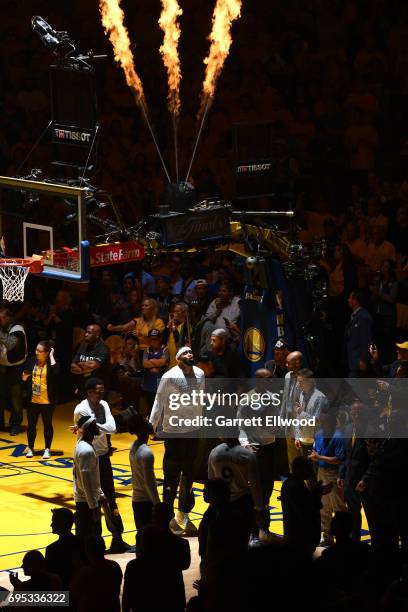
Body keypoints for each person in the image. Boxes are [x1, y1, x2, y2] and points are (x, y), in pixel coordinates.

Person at [150, 346, 205, 536]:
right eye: (185, 354)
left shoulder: (200, 373)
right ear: (178, 359)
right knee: (172, 474)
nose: (190, 355)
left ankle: (183, 514)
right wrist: (152, 424)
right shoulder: (169, 376)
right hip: (174, 431)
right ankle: (168, 518)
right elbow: (159, 400)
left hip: (193, 430)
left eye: (191, 352)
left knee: (189, 475)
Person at [74, 378, 132, 553]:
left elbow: (112, 428)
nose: (101, 393)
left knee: (110, 498)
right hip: (90, 455)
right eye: (98, 391)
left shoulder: (104, 404)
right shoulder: (81, 409)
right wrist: (97, 426)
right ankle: (93, 543)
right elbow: (91, 427)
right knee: (92, 498)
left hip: (103, 455)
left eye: (102, 390)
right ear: (89, 392)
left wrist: (94, 425)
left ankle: (117, 538)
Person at [122, 503, 190, 612]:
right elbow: (185, 565)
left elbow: (127, 593)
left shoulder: (141, 538)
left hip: (146, 599)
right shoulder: (181, 544)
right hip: (172, 597)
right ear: (171, 516)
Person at [237, 368, 277, 541]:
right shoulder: (247, 399)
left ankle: (264, 529)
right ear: (258, 380)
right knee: (256, 491)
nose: (271, 381)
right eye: (267, 379)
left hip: (269, 447)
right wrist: (245, 445)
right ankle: (253, 531)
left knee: (267, 491)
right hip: (255, 449)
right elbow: (240, 425)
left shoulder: (273, 397)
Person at [208, 434, 268, 545]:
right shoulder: (248, 455)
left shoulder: (214, 453)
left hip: (221, 503)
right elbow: (255, 486)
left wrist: (211, 504)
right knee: (240, 542)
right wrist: (260, 508)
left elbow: (211, 482)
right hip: (242, 504)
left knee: (222, 541)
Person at [310, 410, 347, 546]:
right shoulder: (318, 434)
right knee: (324, 508)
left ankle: (343, 538)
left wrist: (318, 457)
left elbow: (338, 459)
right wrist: (314, 456)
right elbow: (316, 452)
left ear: (332, 422)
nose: (322, 424)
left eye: (325, 421)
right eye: (321, 421)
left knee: (338, 507)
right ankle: (327, 537)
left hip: (333, 474)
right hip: (321, 472)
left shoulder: (338, 436)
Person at [281, 456, 331, 555]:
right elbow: (307, 513)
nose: (311, 471)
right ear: (300, 470)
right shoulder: (297, 487)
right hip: (300, 540)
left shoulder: (290, 483)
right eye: (309, 468)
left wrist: (316, 492)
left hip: (294, 537)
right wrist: (318, 494)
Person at [337, 401, 371, 541]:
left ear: (364, 414)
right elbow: (345, 455)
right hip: (350, 480)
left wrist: (366, 479)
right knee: (353, 513)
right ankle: (355, 541)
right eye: (353, 412)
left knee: (372, 514)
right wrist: (341, 474)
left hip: (366, 482)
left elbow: (374, 461)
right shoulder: (348, 428)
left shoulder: (371, 431)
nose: (355, 414)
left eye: (359, 412)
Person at [128, 412, 160, 554]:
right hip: (146, 501)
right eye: (146, 421)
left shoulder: (133, 445)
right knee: (150, 543)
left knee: (141, 536)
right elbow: (149, 482)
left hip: (136, 499)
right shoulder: (146, 453)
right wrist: (157, 503)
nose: (150, 422)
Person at [22, 340, 58, 459]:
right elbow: (24, 375)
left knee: (47, 424)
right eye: (36, 350)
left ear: (47, 353)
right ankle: (31, 447)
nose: (36, 352)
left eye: (39, 351)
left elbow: (57, 372)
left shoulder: (51, 363)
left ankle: (47, 448)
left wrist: (52, 356)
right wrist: (24, 376)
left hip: (47, 401)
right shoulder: (32, 361)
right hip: (33, 400)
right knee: (31, 425)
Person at [73, 414, 103, 549]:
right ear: (87, 429)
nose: (97, 427)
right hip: (86, 503)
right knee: (90, 542)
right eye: (94, 425)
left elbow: (92, 479)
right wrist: (93, 506)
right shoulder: (86, 451)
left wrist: (101, 495)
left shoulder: (82, 444)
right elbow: (86, 482)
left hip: (85, 500)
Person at [70, 536, 122, 612]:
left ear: (86, 550)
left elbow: (73, 594)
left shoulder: (84, 572)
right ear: (104, 547)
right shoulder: (115, 566)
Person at [0, 308, 28, 435]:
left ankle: (16, 424)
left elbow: (11, 344)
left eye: (1, 318)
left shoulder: (17, 329)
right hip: (1, 366)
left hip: (16, 367)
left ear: (9, 318)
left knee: (15, 397)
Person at [45, 508, 82, 588]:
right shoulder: (79, 543)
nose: (51, 524)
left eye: (54, 521)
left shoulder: (51, 550)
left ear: (62, 523)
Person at [294, 368, 328, 456]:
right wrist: (297, 437)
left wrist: (301, 412)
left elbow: (316, 421)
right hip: (303, 440)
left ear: (310, 381)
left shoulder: (320, 397)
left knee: (315, 468)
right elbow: (298, 418)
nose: (298, 385)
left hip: (316, 441)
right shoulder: (301, 394)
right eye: (298, 382)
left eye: (300, 382)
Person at [71, 324, 110, 397]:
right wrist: (85, 369)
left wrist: (80, 366)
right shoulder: (82, 346)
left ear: (97, 335)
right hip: (83, 388)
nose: (86, 334)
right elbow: (72, 366)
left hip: (97, 390)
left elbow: (93, 365)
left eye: (89, 333)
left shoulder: (103, 349)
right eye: (86, 332)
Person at [280, 350, 303, 468]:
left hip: (302, 422)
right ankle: (294, 481)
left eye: (288, 363)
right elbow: (285, 398)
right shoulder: (287, 375)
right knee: (292, 456)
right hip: (289, 420)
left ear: (297, 363)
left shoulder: (306, 378)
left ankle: (309, 485)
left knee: (303, 456)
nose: (286, 365)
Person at [140, 328, 169, 416]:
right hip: (148, 385)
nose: (153, 341)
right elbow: (145, 364)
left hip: (161, 385)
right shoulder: (146, 350)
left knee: (160, 410)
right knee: (149, 410)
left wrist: (151, 362)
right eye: (151, 339)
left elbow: (163, 362)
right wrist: (157, 364)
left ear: (160, 339)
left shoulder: (165, 349)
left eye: (156, 339)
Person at [345, 289, 373, 377]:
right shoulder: (355, 315)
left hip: (359, 361)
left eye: (350, 298)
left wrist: (363, 360)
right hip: (353, 360)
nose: (348, 300)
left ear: (355, 301)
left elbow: (366, 340)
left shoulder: (363, 317)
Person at [166, 302, 190, 367]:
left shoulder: (187, 326)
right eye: (174, 311)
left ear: (184, 312)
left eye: (177, 311)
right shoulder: (175, 326)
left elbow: (179, 343)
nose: (174, 314)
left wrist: (173, 323)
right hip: (171, 363)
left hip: (181, 365)